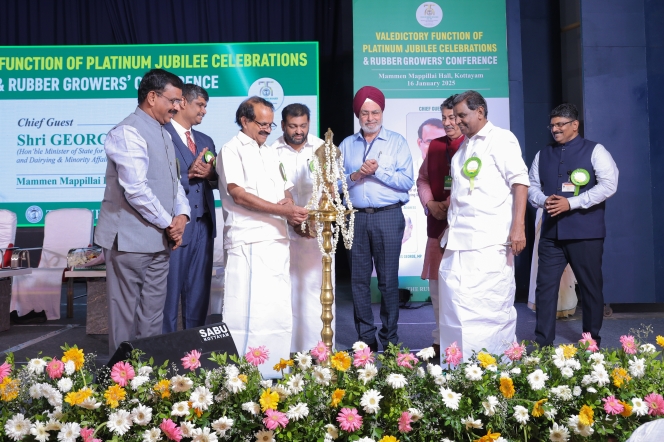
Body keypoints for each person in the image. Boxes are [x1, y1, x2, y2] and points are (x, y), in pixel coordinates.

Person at [94, 69, 190, 354]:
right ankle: (121, 385)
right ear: (152, 97)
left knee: (152, 317)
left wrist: (181, 217)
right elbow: (135, 188)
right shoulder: (127, 131)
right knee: (124, 319)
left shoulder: (164, 133)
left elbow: (175, 184)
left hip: (159, 242)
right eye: (173, 101)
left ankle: (149, 379)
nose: (177, 107)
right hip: (128, 243)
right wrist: (168, 223)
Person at [218, 96, 309, 377]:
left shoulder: (270, 152)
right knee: (245, 312)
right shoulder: (231, 150)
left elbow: (285, 190)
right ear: (244, 120)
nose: (268, 130)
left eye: (270, 125)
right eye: (262, 124)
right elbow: (239, 194)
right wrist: (283, 212)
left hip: (277, 241)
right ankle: (240, 376)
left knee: (276, 311)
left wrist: (289, 207)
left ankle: (275, 371)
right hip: (249, 240)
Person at [438, 90, 529, 362]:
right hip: (457, 241)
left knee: (489, 306)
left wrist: (518, 227)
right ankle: (457, 366)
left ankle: (493, 366)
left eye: (462, 116)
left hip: (489, 240)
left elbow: (520, 182)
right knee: (455, 306)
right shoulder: (462, 148)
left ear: (480, 112)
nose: (457, 121)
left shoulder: (501, 139)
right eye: (454, 117)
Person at [529, 103, 618, 348]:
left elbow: (609, 185)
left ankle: (591, 343)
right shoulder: (542, 154)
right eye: (552, 125)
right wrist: (543, 199)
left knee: (590, 289)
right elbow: (532, 187)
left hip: (585, 234)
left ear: (574, 125)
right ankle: (543, 344)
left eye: (560, 124)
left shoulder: (596, 151)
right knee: (545, 289)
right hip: (550, 234)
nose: (555, 129)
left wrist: (572, 203)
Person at [339, 86, 414, 352]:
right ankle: (366, 340)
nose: (370, 117)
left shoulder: (397, 142)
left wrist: (378, 172)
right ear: (358, 115)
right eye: (365, 113)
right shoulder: (347, 144)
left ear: (382, 112)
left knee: (387, 281)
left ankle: (390, 339)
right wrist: (357, 175)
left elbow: (407, 182)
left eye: (375, 112)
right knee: (358, 282)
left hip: (388, 216)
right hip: (355, 219)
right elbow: (335, 185)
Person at [272, 103, 331, 353]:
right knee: (284, 290)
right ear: (284, 125)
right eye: (293, 126)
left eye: (303, 126)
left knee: (316, 289)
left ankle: (319, 349)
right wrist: (292, 218)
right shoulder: (270, 150)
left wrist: (310, 221)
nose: (299, 131)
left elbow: (330, 188)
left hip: (315, 232)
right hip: (281, 230)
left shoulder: (321, 148)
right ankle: (288, 349)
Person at [162, 84, 217, 333]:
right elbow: (158, 178)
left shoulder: (206, 140)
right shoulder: (162, 134)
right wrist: (189, 174)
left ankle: (196, 351)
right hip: (176, 225)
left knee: (198, 294)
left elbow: (216, 181)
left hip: (204, 225)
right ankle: (167, 350)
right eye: (201, 105)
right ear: (183, 102)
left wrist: (210, 173)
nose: (204, 111)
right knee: (169, 294)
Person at [416, 95, 465, 357]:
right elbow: (422, 179)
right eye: (444, 118)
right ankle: (439, 340)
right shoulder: (435, 146)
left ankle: (459, 343)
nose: (447, 123)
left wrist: (447, 202)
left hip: (463, 230)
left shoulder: (472, 146)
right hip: (436, 227)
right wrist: (431, 204)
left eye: (452, 118)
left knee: (458, 291)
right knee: (437, 291)